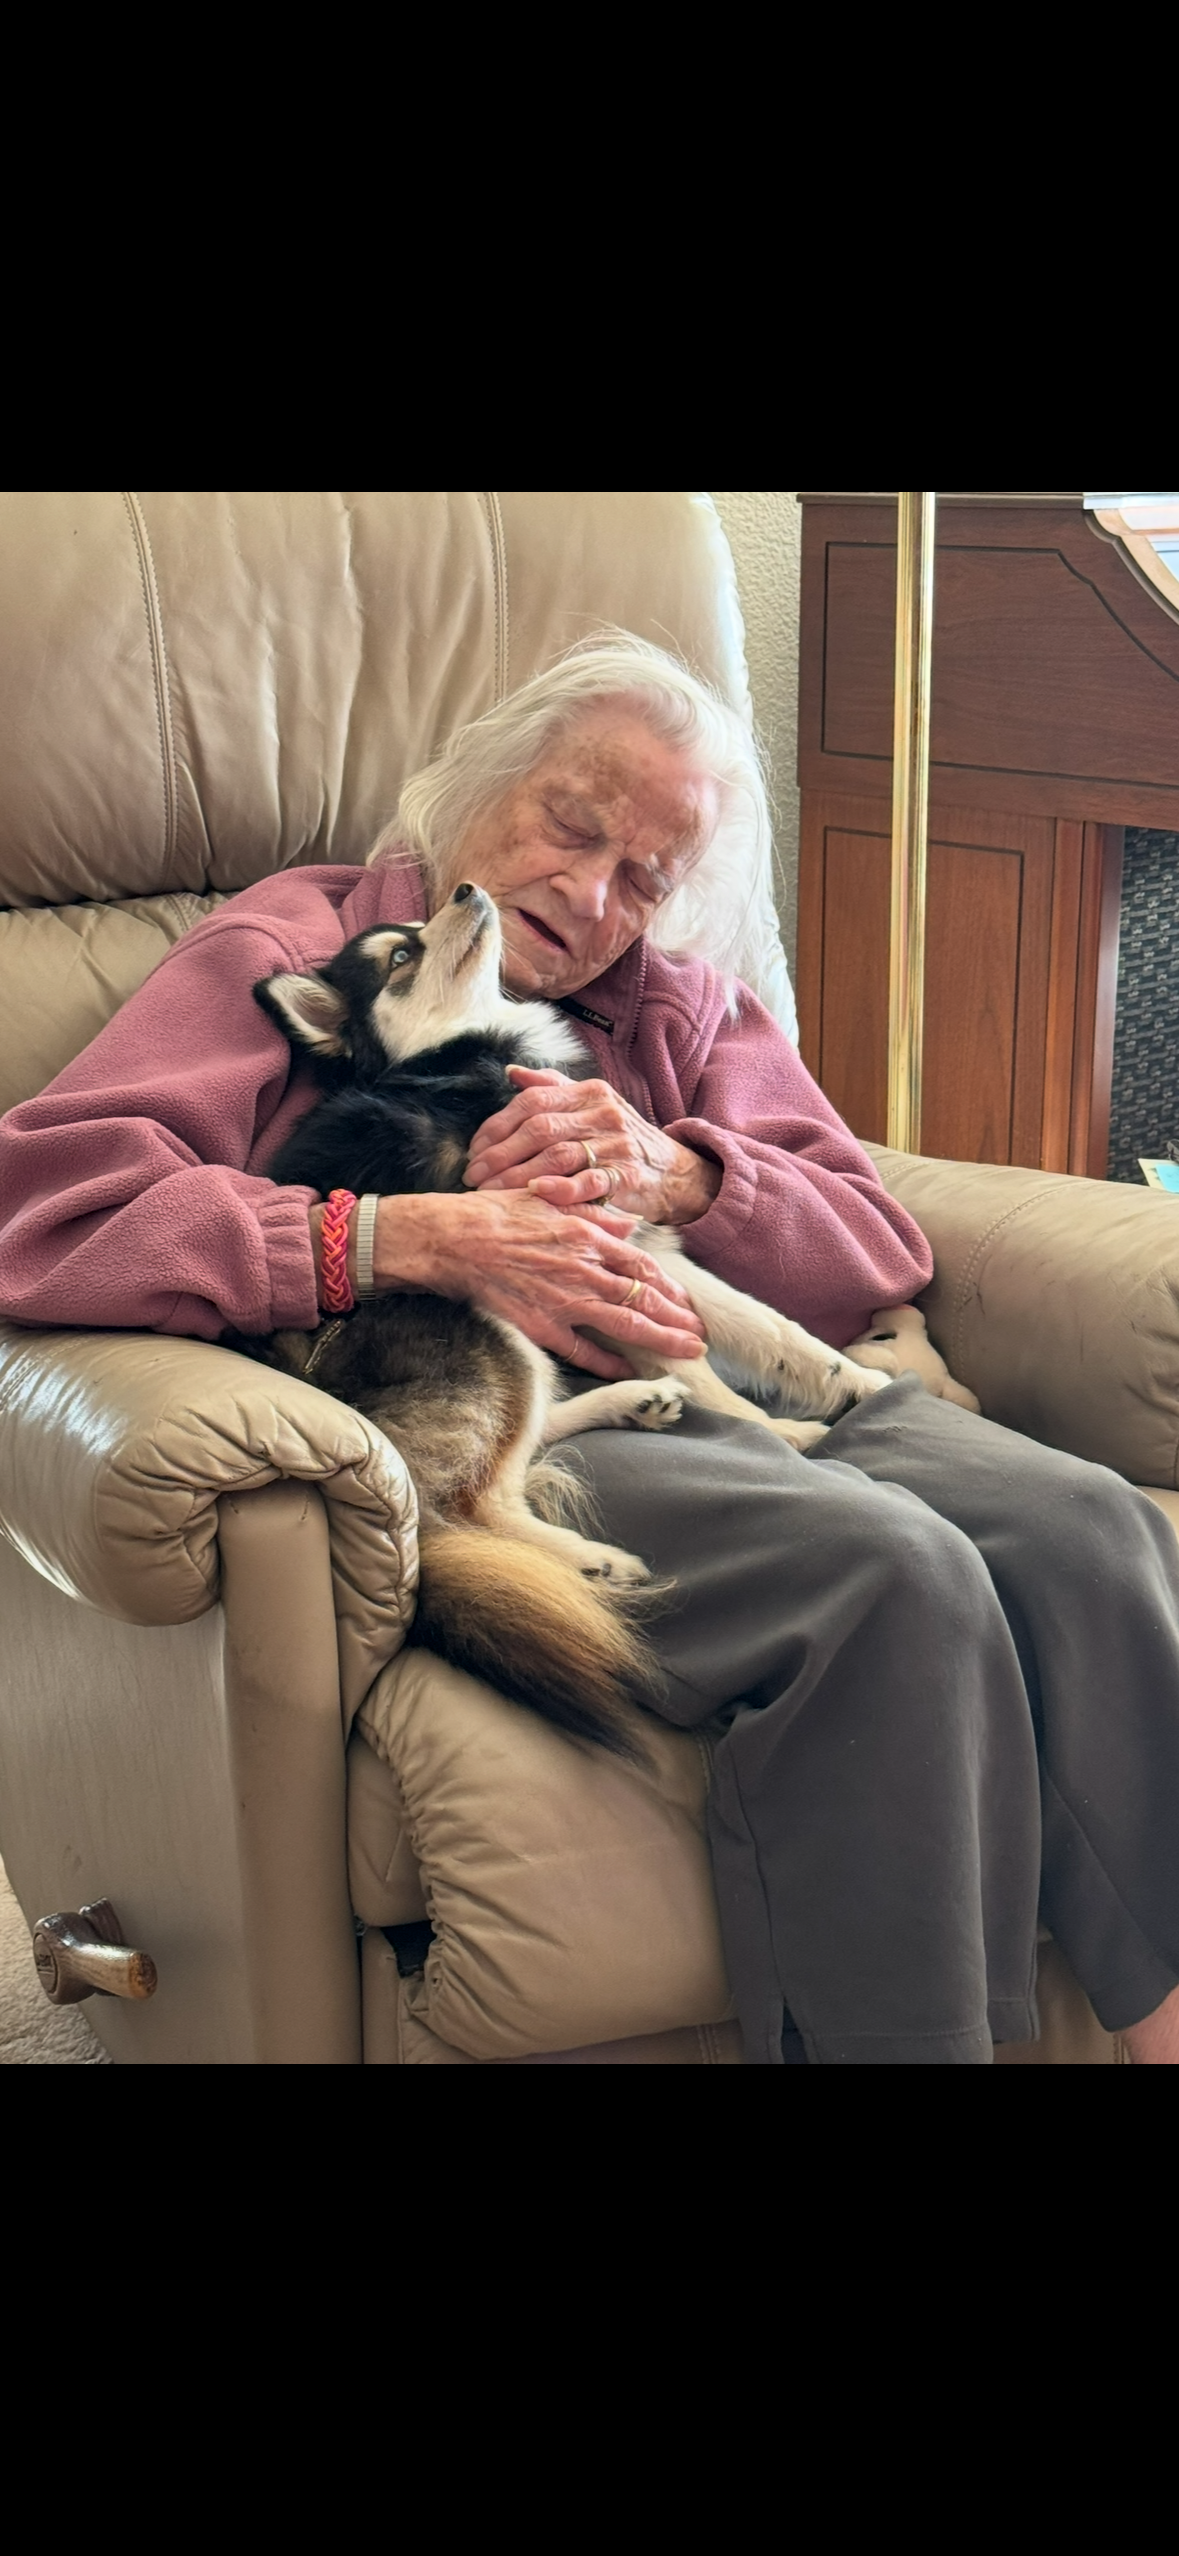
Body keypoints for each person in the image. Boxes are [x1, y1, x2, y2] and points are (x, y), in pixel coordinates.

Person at [3, 633, 1179, 2064]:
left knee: (1087, 1524)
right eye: (570, 823)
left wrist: (683, 1176)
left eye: (645, 875)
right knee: (892, 1578)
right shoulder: (287, 956)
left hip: (749, 1364)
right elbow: (47, 1207)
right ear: (471, 792)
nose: (590, 891)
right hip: (508, 1395)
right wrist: (404, 1238)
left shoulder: (677, 1005)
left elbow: (875, 1244)